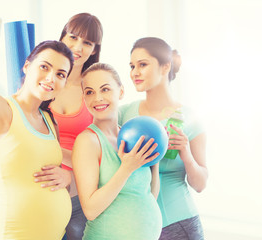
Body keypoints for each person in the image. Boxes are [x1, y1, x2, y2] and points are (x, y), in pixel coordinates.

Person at [0, 15, 74, 240]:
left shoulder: (48, 119)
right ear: (27, 66)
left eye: (60, 74)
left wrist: (68, 177)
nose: (51, 78)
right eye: (44, 67)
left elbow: (68, 163)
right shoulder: (4, 110)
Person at [119, 37, 208, 240]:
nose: (135, 72)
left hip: (178, 224)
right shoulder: (123, 114)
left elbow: (200, 184)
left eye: (143, 64)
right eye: (132, 66)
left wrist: (186, 154)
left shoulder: (190, 119)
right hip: (137, 226)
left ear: (165, 66)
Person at [72, 63, 163, 240]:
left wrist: (154, 159)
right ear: (84, 98)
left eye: (105, 89)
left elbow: (147, 195)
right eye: (90, 92)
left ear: (120, 91)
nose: (97, 98)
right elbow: (90, 210)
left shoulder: (132, 136)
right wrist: (126, 168)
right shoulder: (88, 141)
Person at [32, 13, 103, 240]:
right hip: (39, 193)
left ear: (94, 49)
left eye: (87, 43)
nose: (78, 47)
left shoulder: (93, 89)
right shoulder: (43, 83)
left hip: (78, 200)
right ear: (62, 37)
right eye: (72, 37)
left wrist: (70, 173)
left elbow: (101, 152)